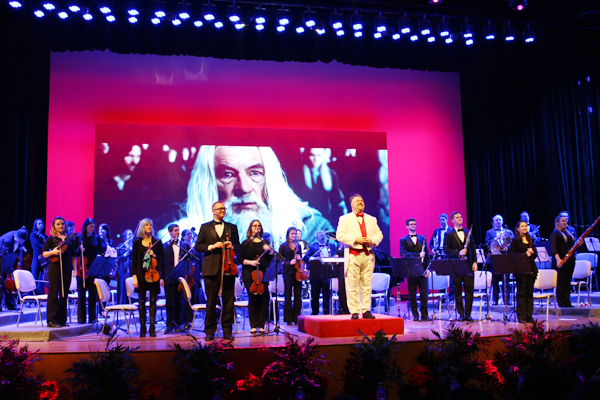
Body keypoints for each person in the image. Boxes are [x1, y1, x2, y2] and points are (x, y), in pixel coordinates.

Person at [170, 145, 332, 246]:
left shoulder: (310, 228)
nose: (244, 188)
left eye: (255, 173)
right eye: (227, 174)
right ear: (209, 182)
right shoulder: (179, 227)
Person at [194, 201, 240, 341]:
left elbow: (238, 246)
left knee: (228, 301)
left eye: (224, 209)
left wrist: (232, 246)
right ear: (213, 210)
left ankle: (227, 331)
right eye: (220, 209)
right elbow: (198, 247)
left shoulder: (232, 227)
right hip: (211, 268)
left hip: (229, 267)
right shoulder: (205, 227)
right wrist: (211, 246)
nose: (223, 211)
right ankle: (210, 331)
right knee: (211, 302)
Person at [336, 194, 383, 320]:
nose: (360, 202)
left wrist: (371, 240)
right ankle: (355, 311)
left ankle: (366, 309)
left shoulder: (371, 219)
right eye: (357, 201)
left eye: (361, 200)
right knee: (352, 284)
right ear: (351, 204)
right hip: (353, 254)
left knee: (367, 284)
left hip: (367, 255)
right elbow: (339, 235)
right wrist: (355, 239)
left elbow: (379, 234)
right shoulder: (344, 219)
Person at [237, 219, 273, 334]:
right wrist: (251, 262)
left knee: (263, 298)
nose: (257, 227)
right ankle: (253, 325)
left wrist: (271, 252)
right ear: (250, 228)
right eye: (254, 226)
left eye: (259, 226)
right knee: (252, 298)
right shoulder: (246, 243)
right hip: (249, 273)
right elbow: (239, 259)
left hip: (263, 273)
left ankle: (261, 325)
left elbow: (269, 260)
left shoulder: (265, 243)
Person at [296, 147, 347, 227]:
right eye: (312, 155)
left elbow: (337, 200)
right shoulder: (299, 175)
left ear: (323, 156)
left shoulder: (331, 174)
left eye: (319, 155)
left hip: (328, 218)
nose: (315, 159)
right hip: (308, 220)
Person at [131, 218, 165, 337]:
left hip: (153, 275)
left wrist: (154, 255)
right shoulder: (137, 243)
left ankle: (152, 327)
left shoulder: (157, 242)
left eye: (150, 225)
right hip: (141, 275)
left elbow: (162, 259)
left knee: (153, 301)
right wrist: (134, 277)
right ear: (142, 227)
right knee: (141, 302)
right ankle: (142, 327)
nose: (149, 227)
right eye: (146, 225)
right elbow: (134, 261)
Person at [444, 212, 477, 322]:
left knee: (469, 291)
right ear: (452, 220)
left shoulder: (468, 232)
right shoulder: (448, 234)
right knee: (457, 291)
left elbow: (473, 248)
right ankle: (461, 314)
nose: (460, 218)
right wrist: (459, 253)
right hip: (456, 266)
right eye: (457, 217)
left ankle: (468, 314)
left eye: (461, 217)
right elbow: (446, 249)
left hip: (468, 265)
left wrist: (475, 262)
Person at [42, 217, 74, 327]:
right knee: (54, 293)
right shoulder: (51, 239)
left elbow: (73, 256)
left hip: (67, 268)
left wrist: (74, 269)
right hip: (55, 268)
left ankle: (62, 319)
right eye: (58, 224)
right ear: (54, 226)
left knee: (64, 294)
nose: (61, 226)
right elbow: (43, 254)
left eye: (62, 224)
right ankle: (51, 320)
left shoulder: (69, 239)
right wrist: (53, 252)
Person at [74, 218, 106, 324]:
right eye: (90, 226)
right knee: (81, 295)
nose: (92, 228)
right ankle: (81, 318)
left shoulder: (97, 238)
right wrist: (79, 250)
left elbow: (102, 251)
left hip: (93, 269)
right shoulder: (79, 238)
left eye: (93, 226)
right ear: (85, 227)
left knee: (93, 295)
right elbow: (74, 253)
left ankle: (92, 318)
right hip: (81, 269)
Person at [400, 219, 431, 321]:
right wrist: (418, 255)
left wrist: (428, 269)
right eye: (411, 224)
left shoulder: (422, 238)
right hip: (411, 270)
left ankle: (425, 315)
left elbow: (427, 256)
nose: (413, 225)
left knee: (424, 294)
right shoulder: (403, 240)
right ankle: (415, 315)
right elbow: (403, 254)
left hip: (422, 270)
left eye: (414, 224)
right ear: (407, 226)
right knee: (412, 294)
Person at [303, 230, 338, 315]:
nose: (323, 236)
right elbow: (306, 257)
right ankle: (315, 312)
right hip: (316, 274)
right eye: (321, 235)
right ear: (317, 237)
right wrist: (314, 259)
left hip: (327, 273)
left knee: (327, 294)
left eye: (324, 235)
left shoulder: (331, 245)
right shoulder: (313, 246)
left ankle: (327, 312)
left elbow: (335, 256)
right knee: (315, 294)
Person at [550, 214, 582, 307]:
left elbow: (572, 247)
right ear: (557, 223)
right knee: (561, 280)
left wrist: (578, 244)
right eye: (563, 221)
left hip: (570, 260)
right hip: (560, 260)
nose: (565, 222)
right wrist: (558, 259)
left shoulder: (568, 233)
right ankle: (561, 301)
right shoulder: (555, 234)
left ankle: (567, 301)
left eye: (565, 221)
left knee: (568, 281)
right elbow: (553, 249)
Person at [510, 221, 538, 323]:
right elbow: (512, 255)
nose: (525, 228)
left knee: (529, 293)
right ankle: (521, 316)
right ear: (518, 229)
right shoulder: (515, 241)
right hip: (521, 270)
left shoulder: (531, 240)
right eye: (522, 226)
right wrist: (525, 255)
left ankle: (529, 316)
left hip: (531, 269)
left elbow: (535, 256)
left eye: (526, 226)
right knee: (521, 293)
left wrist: (533, 252)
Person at [484, 214, 514, 305]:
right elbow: (487, 243)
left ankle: (507, 300)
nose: (498, 222)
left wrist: (507, 247)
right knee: (495, 280)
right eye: (496, 220)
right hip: (494, 259)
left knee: (506, 280)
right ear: (492, 222)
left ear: (503, 221)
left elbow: (512, 244)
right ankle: (495, 300)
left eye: (500, 220)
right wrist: (496, 238)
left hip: (505, 258)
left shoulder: (508, 231)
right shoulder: (489, 232)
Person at [279, 227, 304, 324]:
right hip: (288, 272)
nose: (294, 235)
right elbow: (280, 261)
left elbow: (301, 260)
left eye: (295, 234)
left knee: (298, 296)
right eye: (292, 233)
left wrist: (299, 257)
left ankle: (296, 318)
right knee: (288, 295)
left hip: (298, 272)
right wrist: (289, 262)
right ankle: (288, 319)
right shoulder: (283, 246)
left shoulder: (298, 246)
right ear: (288, 234)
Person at [1, 227, 30, 310]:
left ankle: (10, 305)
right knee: (3, 282)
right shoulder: (7, 241)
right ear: (16, 237)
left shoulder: (18, 235)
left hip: (7, 259)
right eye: (20, 242)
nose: (21, 243)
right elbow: (4, 256)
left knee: (5, 283)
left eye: (22, 242)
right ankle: (9, 305)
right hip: (2, 258)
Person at [163, 224, 184, 334]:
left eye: (178, 230)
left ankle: (179, 323)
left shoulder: (184, 245)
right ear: (170, 232)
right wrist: (162, 278)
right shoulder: (164, 246)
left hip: (180, 276)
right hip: (169, 276)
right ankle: (170, 324)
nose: (177, 232)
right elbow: (162, 263)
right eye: (175, 230)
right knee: (170, 301)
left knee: (179, 301)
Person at [30, 218, 48, 294]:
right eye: (39, 223)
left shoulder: (45, 236)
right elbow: (37, 244)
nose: (41, 225)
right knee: (35, 278)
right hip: (37, 258)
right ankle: (30, 296)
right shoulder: (33, 235)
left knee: (42, 279)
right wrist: (46, 246)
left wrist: (44, 239)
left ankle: (39, 295)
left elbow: (48, 244)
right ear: (36, 225)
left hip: (44, 259)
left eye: (42, 224)